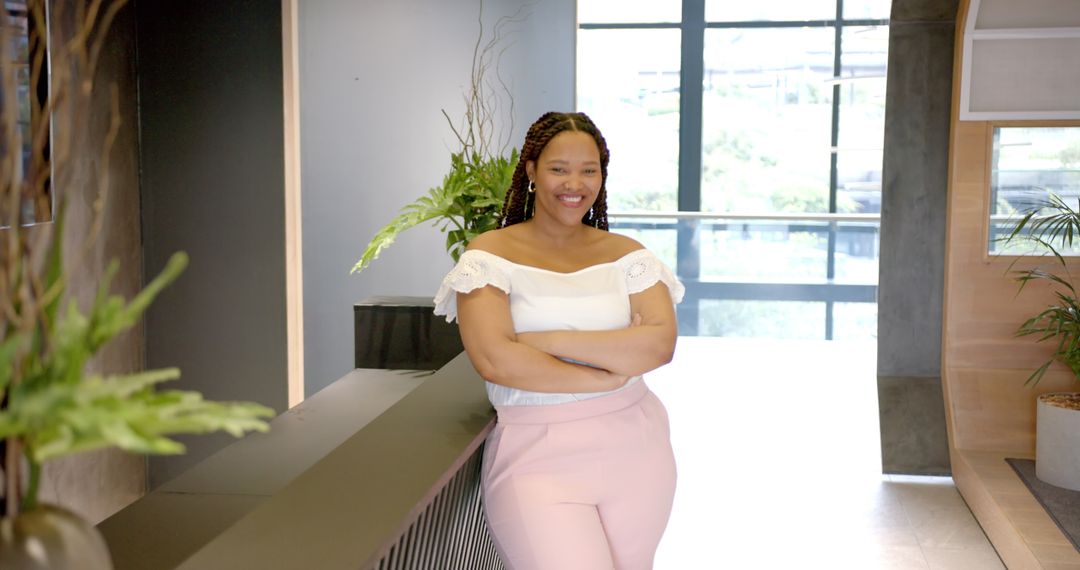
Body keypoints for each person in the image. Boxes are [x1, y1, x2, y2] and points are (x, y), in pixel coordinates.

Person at [433, 111, 683, 570]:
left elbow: (658, 346)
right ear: (531, 171)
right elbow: (495, 360)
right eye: (559, 168)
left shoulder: (627, 255)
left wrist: (539, 339)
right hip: (537, 456)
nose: (575, 183)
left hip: (638, 448)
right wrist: (609, 374)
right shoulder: (489, 254)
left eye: (589, 170)